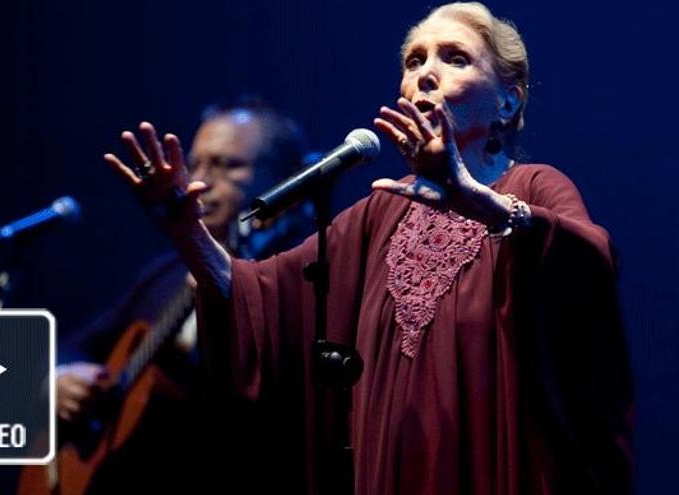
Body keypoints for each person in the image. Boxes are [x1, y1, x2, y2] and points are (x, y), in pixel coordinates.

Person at [103, 2, 633, 494]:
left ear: (507, 98)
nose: (427, 71)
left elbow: (588, 265)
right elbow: (254, 301)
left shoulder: (536, 187)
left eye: (455, 58)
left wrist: (475, 199)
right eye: (414, 59)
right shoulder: (380, 214)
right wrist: (185, 229)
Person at [55, 98, 308, 494]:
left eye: (228, 165)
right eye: (198, 164)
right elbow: (74, 345)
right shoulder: (164, 272)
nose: (201, 181)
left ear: (283, 176)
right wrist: (60, 380)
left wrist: (223, 291)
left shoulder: (298, 270)